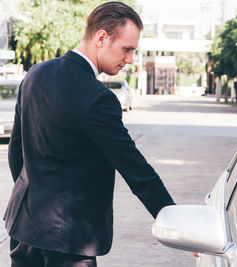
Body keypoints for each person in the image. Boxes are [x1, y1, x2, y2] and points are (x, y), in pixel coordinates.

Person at [3, 2, 175, 266]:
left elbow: (17, 153)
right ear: (101, 38)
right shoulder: (98, 98)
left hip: (25, 228)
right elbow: (135, 169)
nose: (129, 60)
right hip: (69, 240)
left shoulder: (35, 74)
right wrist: (176, 221)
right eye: (126, 49)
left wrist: (36, 201)